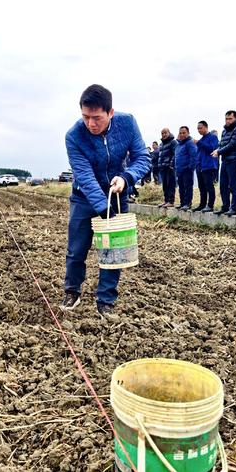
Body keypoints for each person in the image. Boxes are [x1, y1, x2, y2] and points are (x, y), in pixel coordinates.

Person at [62, 84, 150, 316]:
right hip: (84, 197)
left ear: (110, 113)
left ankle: (106, 300)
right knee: (77, 248)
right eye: (85, 117)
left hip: (117, 193)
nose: (91, 123)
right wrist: (104, 209)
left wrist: (126, 178)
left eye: (97, 118)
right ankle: (72, 290)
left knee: (114, 250)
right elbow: (85, 176)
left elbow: (142, 157)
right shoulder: (74, 136)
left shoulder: (127, 123)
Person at [212, 110, 236, 216]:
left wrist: (219, 151)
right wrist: (217, 150)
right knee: (223, 185)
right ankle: (225, 207)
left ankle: (234, 208)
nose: (228, 121)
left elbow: (232, 144)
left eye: (230, 118)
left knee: (233, 185)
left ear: (235, 118)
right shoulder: (224, 131)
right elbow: (222, 144)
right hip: (225, 161)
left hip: (234, 160)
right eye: (226, 119)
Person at [193, 121, 219, 212]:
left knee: (209, 186)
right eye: (198, 128)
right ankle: (202, 204)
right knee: (201, 187)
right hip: (200, 166)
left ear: (206, 127)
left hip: (209, 166)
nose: (199, 130)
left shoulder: (213, 137)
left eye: (200, 128)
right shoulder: (202, 139)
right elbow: (199, 154)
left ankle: (210, 205)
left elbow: (212, 148)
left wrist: (199, 143)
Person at [174, 126, 198, 210]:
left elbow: (194, 156)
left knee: (188, 187)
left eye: (184, 133)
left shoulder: (190, 143)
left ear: (188, 133)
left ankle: (187, 203)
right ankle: (182, 203)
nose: (182, 134)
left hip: (187, 169)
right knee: (181, 187)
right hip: (179, 170)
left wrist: (190, 168)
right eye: (180, 133)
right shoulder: (179, 145)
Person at [157, 128, 177, 207]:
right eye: (162, 133)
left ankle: (171, 202)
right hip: (162, 167)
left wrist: (171, 164)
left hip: (169, 167)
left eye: (165, 133)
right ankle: (166, 201)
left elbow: (175, 154)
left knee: (170, 185)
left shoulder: (173, 142)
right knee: (165, 185)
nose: (164, 135)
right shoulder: (161, 144)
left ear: (169, 133)